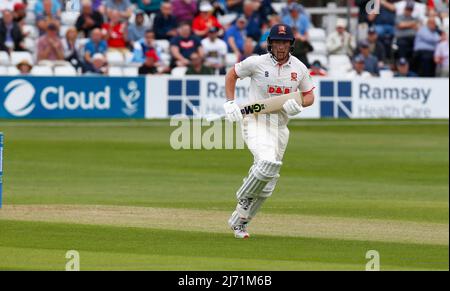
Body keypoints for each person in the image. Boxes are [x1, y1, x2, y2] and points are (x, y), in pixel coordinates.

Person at [223, 24, 315, 239]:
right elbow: (232, 75)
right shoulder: (256, 62)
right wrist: (230, 102)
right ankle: (243, 196)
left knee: (269, 182)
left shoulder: (299, 68)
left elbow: (309, 95)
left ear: (290, 45)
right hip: (255, 121)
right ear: (270, 44)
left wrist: (299, 104)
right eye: (277, 42)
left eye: (284, 42)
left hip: (280, 128)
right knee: (266, 163)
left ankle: (240, 223)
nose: (280, 47)